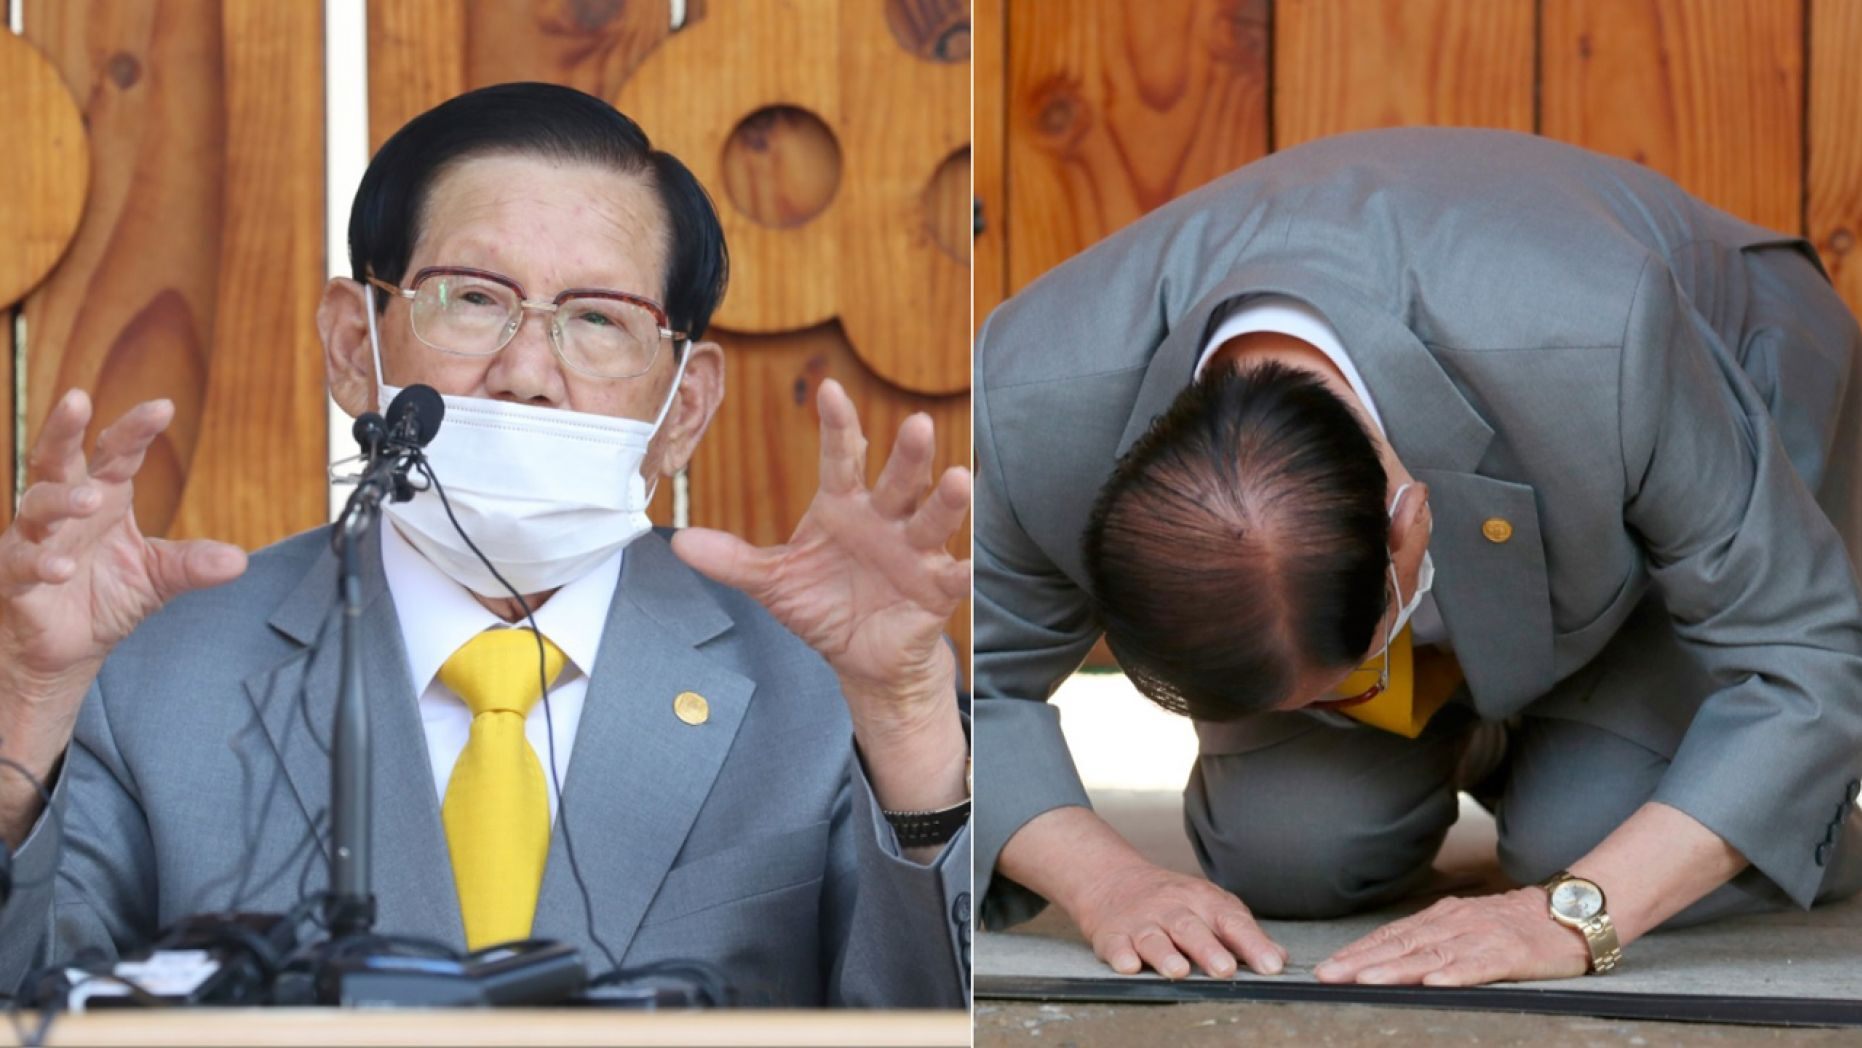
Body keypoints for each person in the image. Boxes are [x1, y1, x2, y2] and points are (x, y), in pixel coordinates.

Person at [0, 83, 971, 1007]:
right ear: (353, 347)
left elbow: (932, 1011)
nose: (526, 371)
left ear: (685, 407)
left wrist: (905, 718)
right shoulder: (147, 676)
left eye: (599, 318)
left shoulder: (822, 681)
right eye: (471, 298)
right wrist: (27, 695)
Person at [974, 126, 1862, 987]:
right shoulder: (1035, 406)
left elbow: (1803, 657)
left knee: (1580, 837)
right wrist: (1108, 883)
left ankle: (1602, 767)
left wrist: (1571, 915)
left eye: (1348, 680)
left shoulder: (1601, 336)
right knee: (1287, 856)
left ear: (1407, 521)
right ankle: (1502, 748)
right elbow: (969, 690)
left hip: (1727, 388)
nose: (1334, 712)